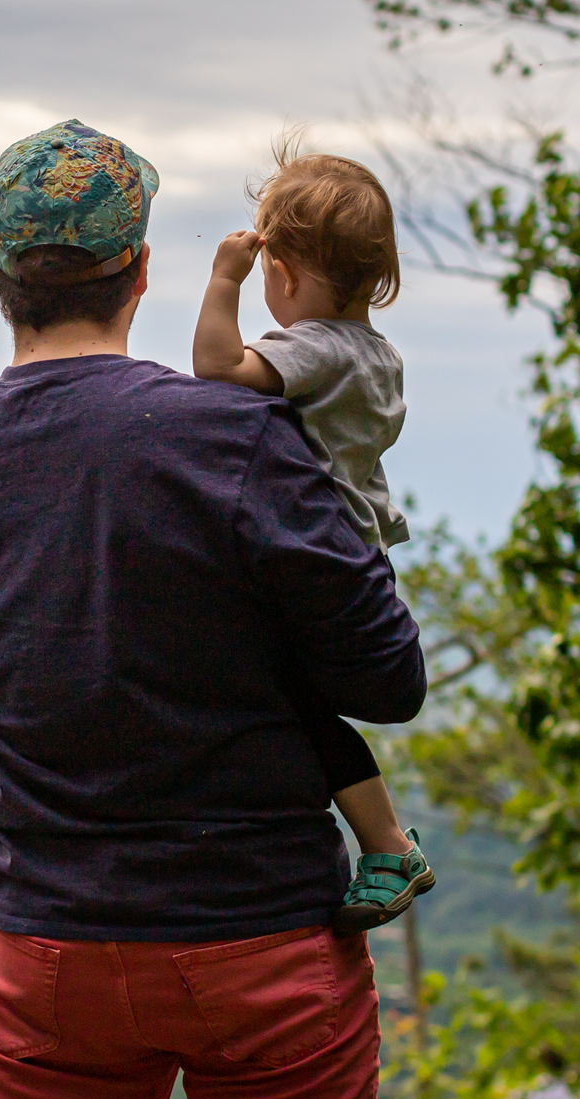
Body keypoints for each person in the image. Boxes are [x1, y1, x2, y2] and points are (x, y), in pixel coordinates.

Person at [0, 120, 427, 1099]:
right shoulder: (232, 435)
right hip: (264, 940)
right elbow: (388, 679)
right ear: (140, 270)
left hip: (53, 943)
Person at [191, 142, 435, 934]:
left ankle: (388, 844)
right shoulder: (379, 356)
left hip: (311, 559)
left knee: (269, 693)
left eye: (267, 271)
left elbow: (218, 372)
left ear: (286, 273)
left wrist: (222, 279)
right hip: (358, 554)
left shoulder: (317, 348)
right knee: (301, 708)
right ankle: (387, 843)